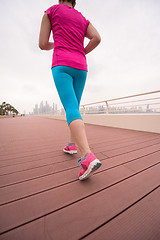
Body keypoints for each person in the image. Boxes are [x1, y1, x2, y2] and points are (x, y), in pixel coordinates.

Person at [39, 0, 101, 180]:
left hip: (62, 63)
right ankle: (71, 145)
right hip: (81, 66)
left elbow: (42, 44)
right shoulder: (82, 18)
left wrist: (56, 44)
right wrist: (81, 51)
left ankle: (87, 156)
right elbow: (97, 37)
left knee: (71, 108)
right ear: (75, 1)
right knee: (74, 106)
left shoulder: (52, 11)